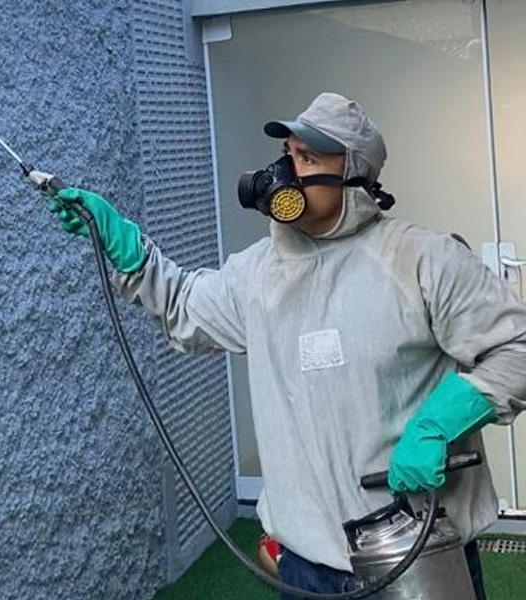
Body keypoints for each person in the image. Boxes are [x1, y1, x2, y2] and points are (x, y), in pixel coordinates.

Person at [47, 92, 526, 598]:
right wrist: (124, 248)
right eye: (288, 155)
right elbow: (185, 306)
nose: (285, 172)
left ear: (353, 171)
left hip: (419, 551)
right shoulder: (258, 273)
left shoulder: (423, 259)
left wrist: (439, 423)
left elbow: (517, 346)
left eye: (308, 158)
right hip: (306, 564)